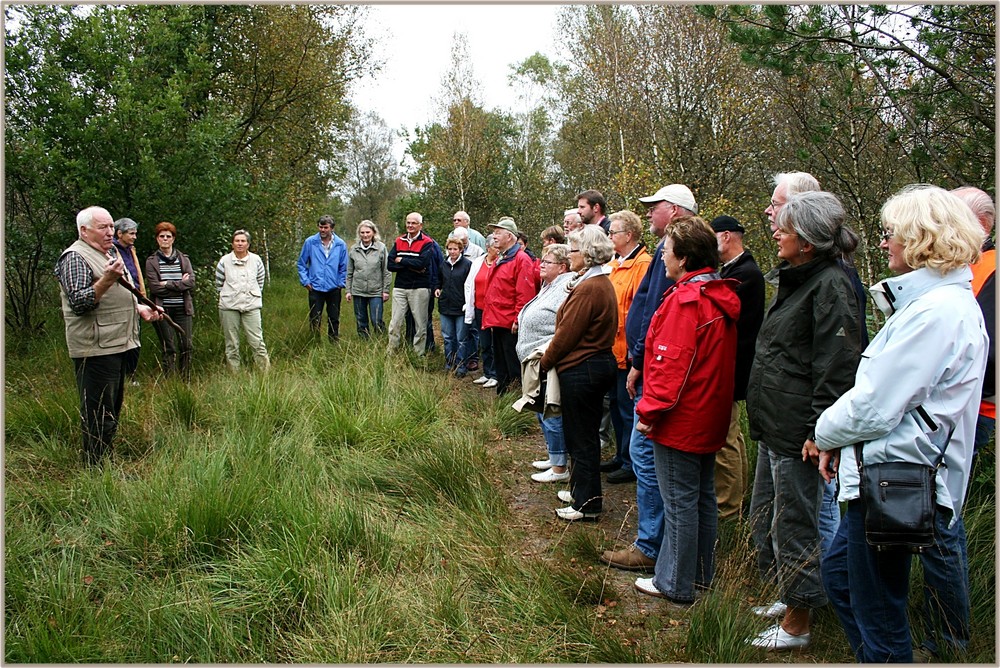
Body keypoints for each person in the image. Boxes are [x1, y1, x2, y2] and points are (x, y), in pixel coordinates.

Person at [807, 185, 988, 663]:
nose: (884, 243)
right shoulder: (926, 306)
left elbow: (875, 405)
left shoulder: (936, 314)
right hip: (885, 472)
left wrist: (824, 434)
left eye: (891, 234)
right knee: (844, 579)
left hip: (896, 478)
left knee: (879, 610)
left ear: (922, 238)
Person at [745, 191, 863, 650]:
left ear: (808, 242)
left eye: (785, 227)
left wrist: (819, 431)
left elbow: (836, 367)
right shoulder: (799, 278)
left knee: (797, 524)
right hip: (776, 424)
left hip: (799, 432)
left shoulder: (831, 285)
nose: (776, 231)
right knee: (767, 517)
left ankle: (799, 622)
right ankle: (788, 596)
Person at [633, 216, 740, 603]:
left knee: (679, 502)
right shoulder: (719, 294)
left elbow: (669, 364)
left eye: (667, 251)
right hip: (709, 413)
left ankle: (675, 583)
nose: (663, 256)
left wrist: (649, 412)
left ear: (684, 257)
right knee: (701, 499)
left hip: (683, 418)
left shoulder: (686, 301)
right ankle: (698, 575)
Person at [601, 183, 697, 572]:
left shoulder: (674, 255)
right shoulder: (665, 250)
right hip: (644, 362)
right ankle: (660, 545)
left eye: (654, 207)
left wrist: (639, 358)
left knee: (647, 454)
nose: (649, 214)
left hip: (653, 369)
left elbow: (658, 312)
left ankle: (653, 546)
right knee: (646, 455)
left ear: (673, 210)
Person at [55, 206, 162, 465]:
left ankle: (103, 462)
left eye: (111, 227)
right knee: (98, 413)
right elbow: (80, 302)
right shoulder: (75, 257)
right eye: (102, 227)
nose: (110, 232)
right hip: (94, 348)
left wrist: (139, 308)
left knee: (111, 411)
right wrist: (106, 278)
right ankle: (95, 469)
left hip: (117, 343)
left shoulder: (109, 252)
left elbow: (114, 298)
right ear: (84, 230)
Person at [540, 225, 617, 521]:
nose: (570, 255)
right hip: (588, 367)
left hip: (583, 370)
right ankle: (580, 491)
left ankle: (587, 505)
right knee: (580, 436)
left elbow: (567, 334)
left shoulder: (589, 287)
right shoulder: (592, 282)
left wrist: (544, 362)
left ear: (586, 254)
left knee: (582, 439)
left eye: (573, 250)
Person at [711, 215, 765, 520]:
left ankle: (728, 508)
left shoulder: (746, 274)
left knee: (725, 438)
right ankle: (736, 498)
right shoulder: (734, 271)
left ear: (727, 236)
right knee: (732, 436)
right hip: (733, 365)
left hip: (734, 366)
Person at [514, 243, 574, 483]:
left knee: (551, 412)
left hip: (546, 358)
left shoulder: (566, 287)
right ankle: (554, 455)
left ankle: (560, 467)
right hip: (534, 358)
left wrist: (547, 352)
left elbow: (564, 325)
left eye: (547, 262)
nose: (541, 266)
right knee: (540, 410)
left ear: (561, 267)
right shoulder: (550, 285)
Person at [604, 210, 652, 485]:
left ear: (629, 235)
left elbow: (638, 310)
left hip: (628, 351)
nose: (610, 236)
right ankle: (621, 456)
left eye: (614, 232)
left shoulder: (642, 264)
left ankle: (631, 462)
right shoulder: (616, 263)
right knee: (616, 405)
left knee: (626, 407)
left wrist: (636, 352)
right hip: (611, 348)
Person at [482, 217, 539, 394]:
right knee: (501, 364)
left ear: (510, 236)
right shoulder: (502, 257)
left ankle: (516, 402)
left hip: (510, 324)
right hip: (497, 320)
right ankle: (503, 398)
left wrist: (517, 319)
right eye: (493, 233)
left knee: (512, 364)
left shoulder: (520, 259)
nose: (494, 236)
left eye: (498, 233)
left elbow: (525, 293)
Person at [145, 221, 195, 377]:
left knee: (186, 345)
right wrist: (180, 285)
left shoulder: (183, 259)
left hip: (183, 308)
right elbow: (155, 288)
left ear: (173, 238)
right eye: (161, 236)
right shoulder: (151, 261)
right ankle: (170, 380)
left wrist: (167, 283)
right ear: (157, 239)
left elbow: (191, 283)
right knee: (169, 346)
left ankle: (185, 379)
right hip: (162, 309)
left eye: (168, 236)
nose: (165, 239)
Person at [215, 229, 270, 371]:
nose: (240, 244)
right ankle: (234, 373)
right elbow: (219, 284)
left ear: (248, 244)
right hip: (229, 306)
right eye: (237, 241)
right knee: (231, 343)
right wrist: (230, 295)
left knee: (257, 341)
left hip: (251, 306)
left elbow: (260, 282)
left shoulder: (256, 260)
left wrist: (251, 295)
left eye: (243, 241)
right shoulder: (224, 261)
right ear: (232, 244)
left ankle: (265, 373)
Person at [387, 212, 436, 354]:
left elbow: (422, 263)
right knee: (395, 322)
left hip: (420, 287)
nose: (410, 225)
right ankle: (391, 351)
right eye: (408, 222)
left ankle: (418, 353)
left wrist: (401, 260)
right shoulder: (399, 240)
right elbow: (390, 265)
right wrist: (412, 264)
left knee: (420, 324)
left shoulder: (427, 242)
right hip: (400, 287)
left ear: (420, 225)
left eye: (414, 223)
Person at [297, 214, 348, 342]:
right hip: (315, 287)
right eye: (320, 227)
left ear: (332, 228)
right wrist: (306, 281)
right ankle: (315, 341)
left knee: (334, 317)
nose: (322, 230)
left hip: (334, 288)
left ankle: (333, 342)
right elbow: (301, 263)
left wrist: (341, 283)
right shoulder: (310, 242)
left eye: (325, 227)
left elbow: (344, 266)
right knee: (315, 317)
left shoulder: (340, 244)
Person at [112, 217, 146, 381]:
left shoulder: (131, 250)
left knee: (135, 337)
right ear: (120, 233)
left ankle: (131, 374)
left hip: (137, 298)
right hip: (121, 300)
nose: (134, 237)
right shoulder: (111, 250)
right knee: (121, 338)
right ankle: (120, 374)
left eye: (135, 233)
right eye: (131, 233)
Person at [346, 220, 391, 338]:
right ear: (359, 234)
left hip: (376, 291)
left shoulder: (381, 248)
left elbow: (386, 271)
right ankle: (364, 344)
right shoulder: (354, 249)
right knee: (361, 321)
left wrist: (385, 290)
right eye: (362, 232)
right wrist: (348, 291)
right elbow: (349, 272)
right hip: (358, 290)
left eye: (367, 232)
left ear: (373, 233)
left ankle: (382, 341)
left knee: (376, 320)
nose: (365, 235)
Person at [465, 234, 500, 388]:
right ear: (487, 247)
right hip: (480, 308)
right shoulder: (478, 262)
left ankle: (496, 374)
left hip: (495, 310)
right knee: (484, 342)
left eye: (499, 247)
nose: (498, 251)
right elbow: (470, 284)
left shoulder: (501, 263)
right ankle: (487, 372)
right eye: (495, 247)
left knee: (495, 343)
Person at [436, 236, 473, 376]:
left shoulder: (467, 265)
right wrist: (437, 288)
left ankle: (461, 365)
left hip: (461, 307)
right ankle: (449, 363)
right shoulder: (443, 265)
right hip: (445, 306)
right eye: (450, 249)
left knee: (461, 338)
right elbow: (438, 280)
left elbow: (471, 286)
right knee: (447, 337)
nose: (452, 252)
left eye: (455, 249)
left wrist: (468, 304)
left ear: (461, 250)